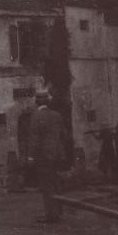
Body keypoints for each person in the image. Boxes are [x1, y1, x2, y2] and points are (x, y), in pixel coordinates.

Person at [27, 90, 67, 224]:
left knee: (46, 185)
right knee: (56, 183)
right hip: (57, 155)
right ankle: (59, 211)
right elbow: (64, 136)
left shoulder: (36, 116)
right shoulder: (57, 115)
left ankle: (51, 215)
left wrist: (31, 157)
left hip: (43, 156)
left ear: (37, 102)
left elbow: (34, 139)